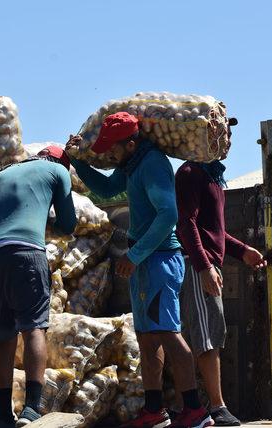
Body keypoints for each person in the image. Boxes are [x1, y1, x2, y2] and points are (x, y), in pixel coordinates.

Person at [68, 112, 213, 428]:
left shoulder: (152, 165)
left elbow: (168, 215)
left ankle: (196, 411)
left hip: (160, 261)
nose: (111, 154)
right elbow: (106, 190)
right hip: (145, 263)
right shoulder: (132, 166)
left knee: (168, 333)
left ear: (131, 143)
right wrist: (76, 163)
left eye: (114, 148)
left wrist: (134, 255)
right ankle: (154, 410)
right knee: (148, 339)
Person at [0, 146, 77, 428]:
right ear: (61, 163)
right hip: (25, 253)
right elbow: (69, 224)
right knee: (34, 327)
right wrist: (46, 225)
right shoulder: (58, 171)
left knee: (3, 336)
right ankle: (31, 409)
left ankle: (4, 417)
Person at [175, 119, 266, 426]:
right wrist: (203, 267)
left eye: (227, 134)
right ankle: (216, 407)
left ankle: (208, 406)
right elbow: (185, 224)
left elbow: (215, 231)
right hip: (195, 265)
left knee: (212, 332)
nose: (226, 140)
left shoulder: (214, 179)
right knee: (207, 335)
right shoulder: (190, 173)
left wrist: (243, 252)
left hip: (210, 264)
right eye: (219, 134)